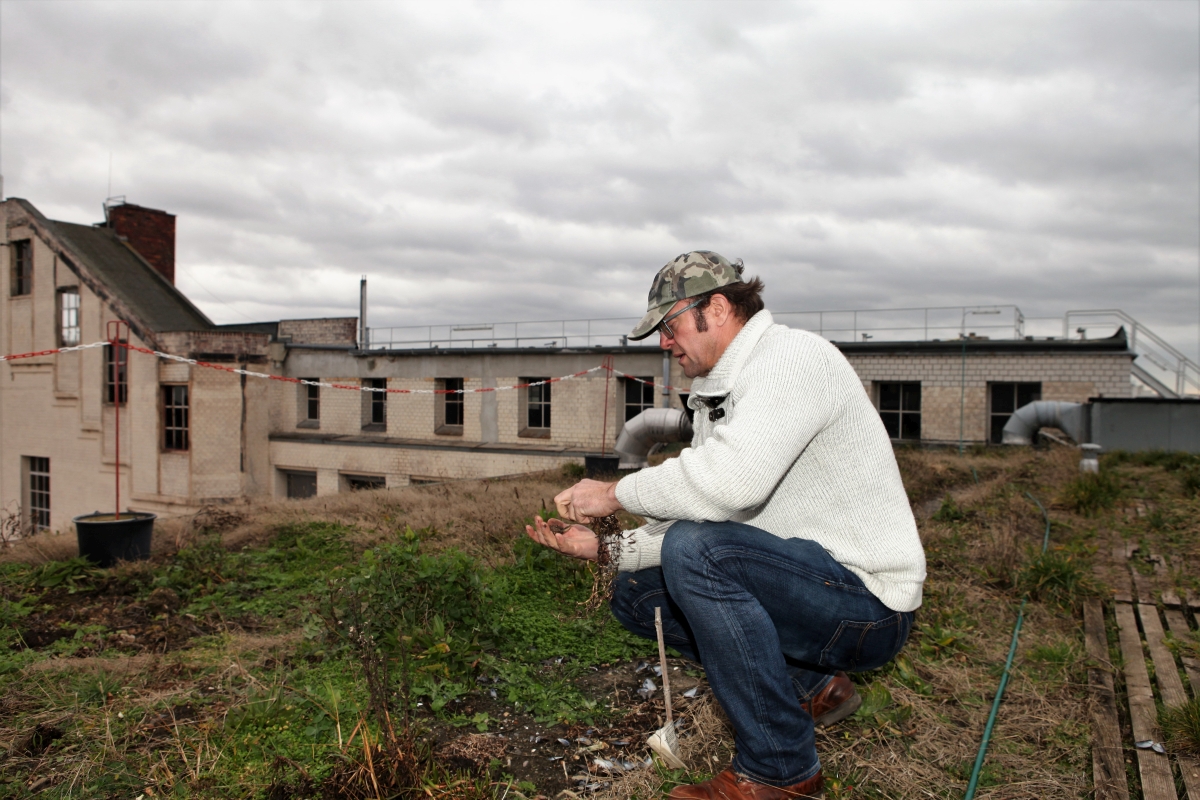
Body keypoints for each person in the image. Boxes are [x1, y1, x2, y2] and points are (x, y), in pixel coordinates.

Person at [526, 251, 925, 800]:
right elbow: (708, 512)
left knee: (695, 553)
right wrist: (606, 549)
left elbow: (730, 486)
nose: (665, 343)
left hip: (867, 606)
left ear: (716, 308)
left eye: (670, 326)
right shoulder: (721, 391)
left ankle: (781, 771)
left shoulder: (791, 359)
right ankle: (812, 686)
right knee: (636, 594)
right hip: (807, 586)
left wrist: (614, 492)